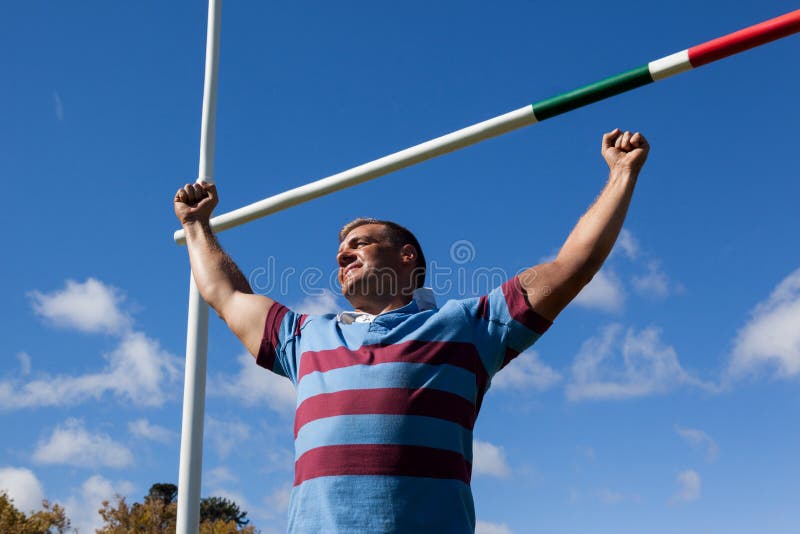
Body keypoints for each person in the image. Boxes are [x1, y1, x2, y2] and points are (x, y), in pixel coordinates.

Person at [174, 128, 649, 533]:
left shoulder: (467, 326)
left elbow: (573, 265)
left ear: (406, 258)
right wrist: (197, 226)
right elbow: (226, 296)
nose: (342, 255)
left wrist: (621, 174)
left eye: (360, 244)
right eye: (340, 251)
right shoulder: (305, 338)